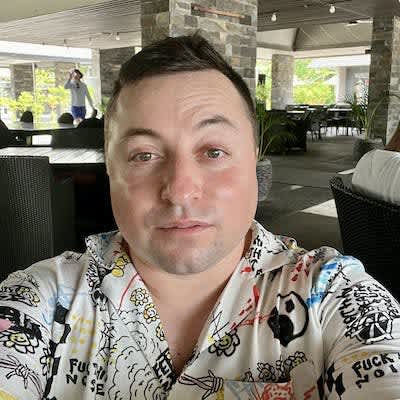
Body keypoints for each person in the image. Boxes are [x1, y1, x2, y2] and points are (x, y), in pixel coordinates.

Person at [0, 34, 399, 400]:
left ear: (254, 160)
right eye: (144, 155)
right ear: (111, 168)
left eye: (213, 151)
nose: (179, 190)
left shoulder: (334, 296)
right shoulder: (42, 299)